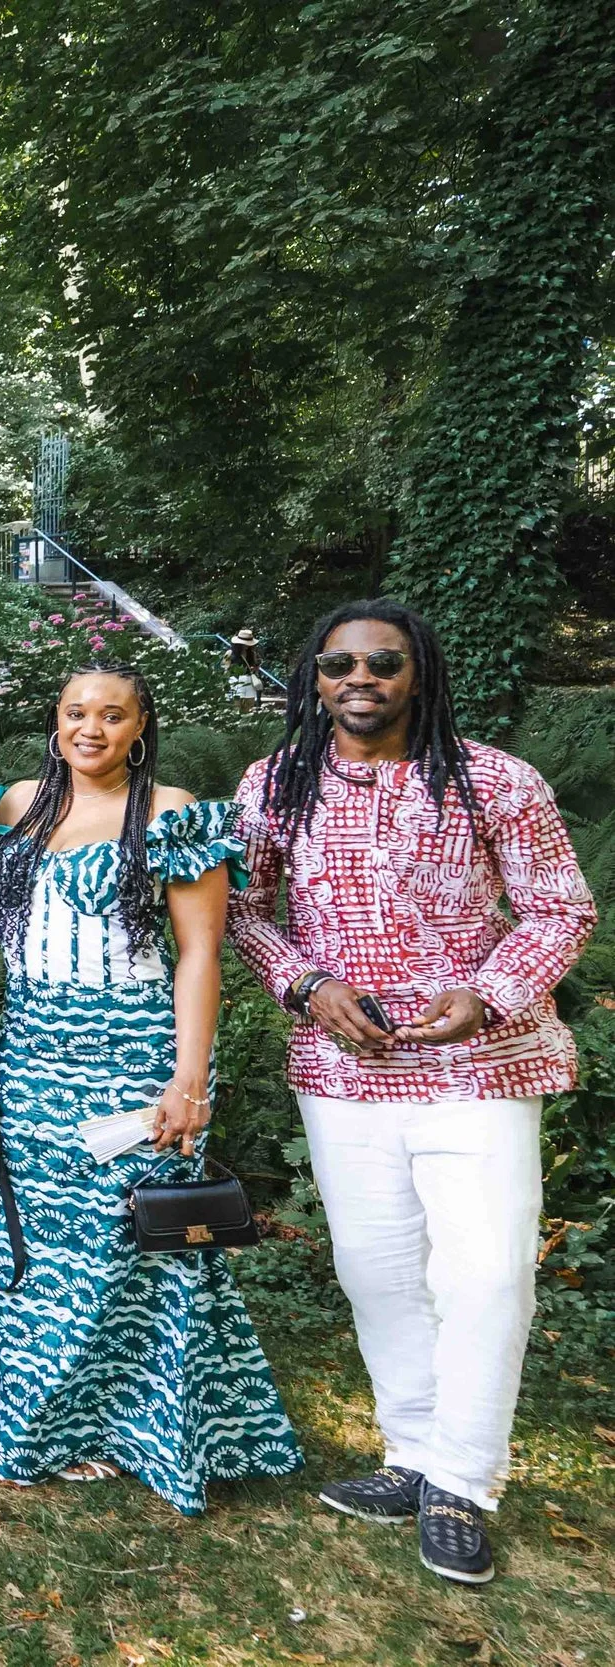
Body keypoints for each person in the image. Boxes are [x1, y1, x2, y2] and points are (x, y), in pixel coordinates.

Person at [229, 599, 597, 1586]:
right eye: (339, 664)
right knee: (378, 1267)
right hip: (343, 1071)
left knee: (483, 1274)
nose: (360, 679)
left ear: (417, 674)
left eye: (382, 663)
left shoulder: (493, 779)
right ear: (312, 678)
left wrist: (491, 992)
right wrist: (304, 983)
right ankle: (411, 1454)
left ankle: (463, 1483)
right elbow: (241, 908)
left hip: (479, 1065)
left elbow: (562, 907)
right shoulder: (274, 784)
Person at [0, 664, 303, 1512]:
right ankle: (35, 1423)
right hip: (32, 1053)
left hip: (135, 1054)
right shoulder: (15, 806)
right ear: (56, 719)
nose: (91, 727)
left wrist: (189, 1075)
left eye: (112, 714)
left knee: (126, 1242)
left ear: (140, 725)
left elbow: (199, 952)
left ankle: (125, 1427)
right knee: (29, 1244)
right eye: (77, 711)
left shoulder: (175, 813)